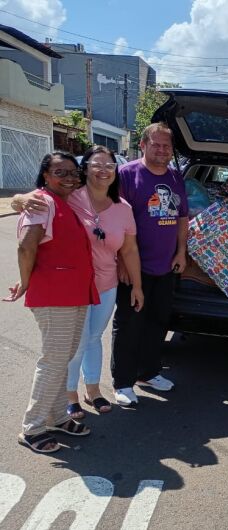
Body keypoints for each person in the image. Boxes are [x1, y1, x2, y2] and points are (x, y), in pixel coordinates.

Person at [12, 147, 145, 417]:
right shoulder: (70, 195)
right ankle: (68, 395)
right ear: (86, 169)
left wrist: (138, 286)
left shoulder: (123, 207)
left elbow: (129, 250)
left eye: (109, 165)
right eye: (97, 164)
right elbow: (38, 198)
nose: (103, 170)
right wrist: (19, 198)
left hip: (106, 284)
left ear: (116, 170)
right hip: (71, 286)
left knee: (94, 338)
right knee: (76, 342)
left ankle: (93, 390)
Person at [4, 152, 99, 453]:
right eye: (60, 172)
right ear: (45, 175)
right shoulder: (41, 201)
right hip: (54, 294)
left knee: (66, 356)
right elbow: (25, 246)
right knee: (54, 359)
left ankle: (57, 415)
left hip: (73, 291)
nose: (69, 178)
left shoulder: (65, 201)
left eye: (73, 172)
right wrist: (26, 281)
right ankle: (32, 428)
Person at [111, 122, 188, 407]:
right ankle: (122, 382)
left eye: (166, 145)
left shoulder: (176, 177)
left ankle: (149, 373)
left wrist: (181, 252)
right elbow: (115, 218)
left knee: (157, 321)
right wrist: (120, 259)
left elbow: (182, 217)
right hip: (134, 266)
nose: (162, 149)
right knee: (130, 323)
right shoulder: (127, 174)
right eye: (156, 144)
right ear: (142, 144)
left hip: (165, 266)